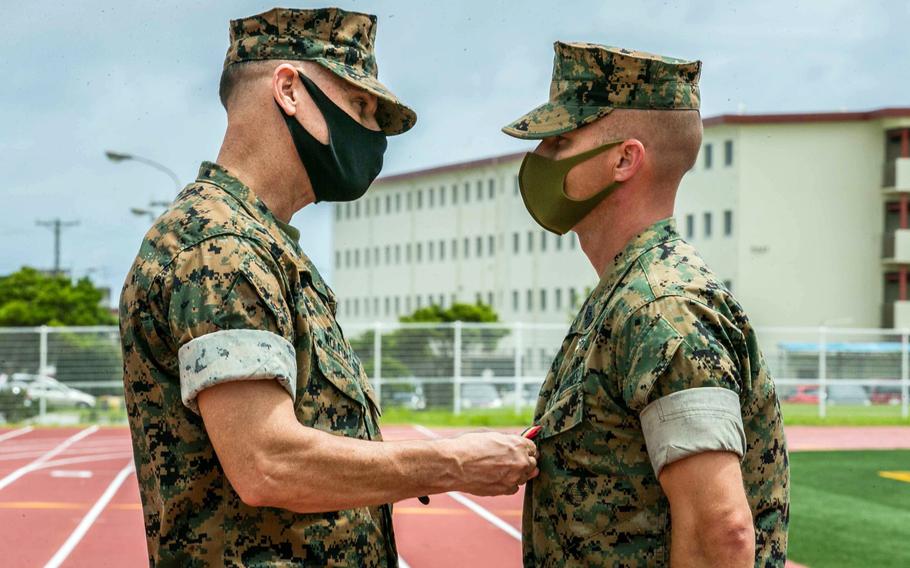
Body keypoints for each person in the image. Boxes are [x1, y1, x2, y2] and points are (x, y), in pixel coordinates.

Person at [119, 7, 537, 566]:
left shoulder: (263, 244)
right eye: (359, 106)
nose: (370, 134)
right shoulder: (219, 246)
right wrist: (454, 464)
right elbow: (267, 462)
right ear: (289, 89)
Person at [502, 42, 789, 567]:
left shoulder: (661, 308)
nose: (540, 158)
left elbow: (719, 532)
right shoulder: (624, 294)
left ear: (624, 159)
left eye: (560, 141)